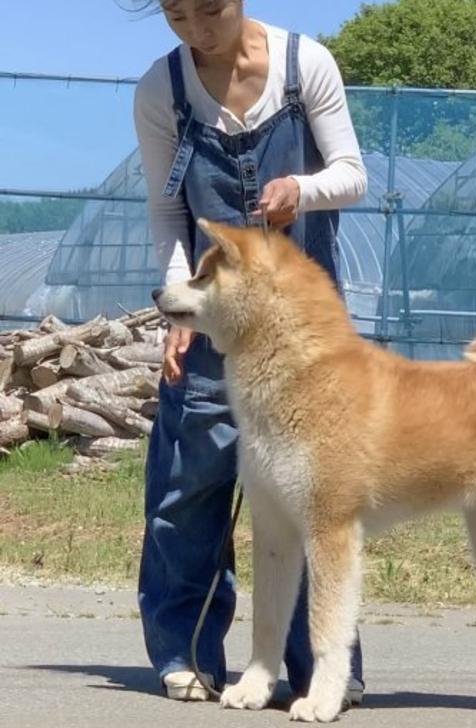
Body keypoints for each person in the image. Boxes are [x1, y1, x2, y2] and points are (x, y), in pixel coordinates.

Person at [130, 0, 367, 704]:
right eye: (176, 15)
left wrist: (304, 187)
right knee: (188, 488)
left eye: (211, 9)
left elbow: (353, 173)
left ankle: (325, 668)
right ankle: (187, 654)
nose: (198, 30)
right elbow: (165, 212)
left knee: (314, 502)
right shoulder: (159, 92)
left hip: (304, 336)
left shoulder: (305, 67)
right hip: (212, 321)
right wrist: (180, 302)